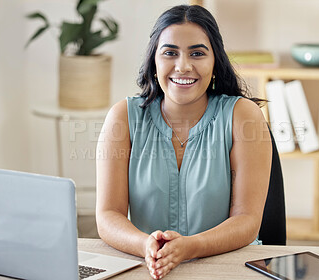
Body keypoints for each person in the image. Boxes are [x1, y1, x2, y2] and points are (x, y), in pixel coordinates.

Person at [96, 4, 272, 279]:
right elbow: (108, 215)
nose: (183, 66)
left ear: (215, 61)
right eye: (170, 53)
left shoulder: (243, 116)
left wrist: (190, 247)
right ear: (154, 60)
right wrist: (146, 245)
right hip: (151, 267)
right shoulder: (123, 117)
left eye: (197, 53)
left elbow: (247, 220)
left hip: (229, 268)